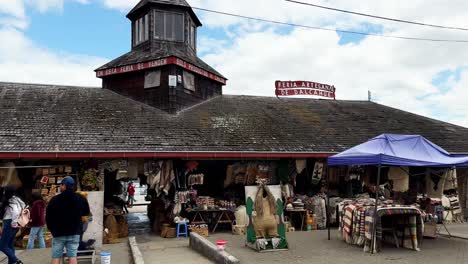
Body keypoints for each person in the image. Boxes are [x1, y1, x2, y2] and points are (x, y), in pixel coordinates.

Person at [46, 177, 90, 264]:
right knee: (72, 257)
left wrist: (51, 229)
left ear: (64, 186)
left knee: (56, 256)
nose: (60, 187)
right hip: (75, 232)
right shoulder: (80, 198)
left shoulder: (54, 200)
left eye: (61, 185)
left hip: (58, 233)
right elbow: (86, 213)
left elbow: (48, 217)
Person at [0, 186, 25, 264]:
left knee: (2, 246)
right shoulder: (17, 199)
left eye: (4, 191)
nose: (3, 193)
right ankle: (12, 262)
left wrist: (13, 222)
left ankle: (16, 260)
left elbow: (15, 212)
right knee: (10, 245)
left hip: (10, 223)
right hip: (14, 224)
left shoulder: (11, 201)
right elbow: (22, 208)